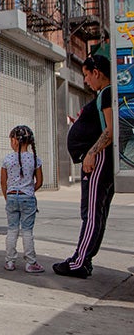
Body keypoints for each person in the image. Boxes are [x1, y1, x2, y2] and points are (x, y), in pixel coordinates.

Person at [54, 55, 114, 278]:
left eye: (87, 75)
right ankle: (84, 259)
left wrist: (91, 153)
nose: (86, 80)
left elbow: (110, 129)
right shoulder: (104, 94)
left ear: (96, 72)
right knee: (94, 212)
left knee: (91, 214)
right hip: (99, 159)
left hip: (99, 160)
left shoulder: (107, 93)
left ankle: (80, 261)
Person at [1, 125, 44, 273]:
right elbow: (39, 181)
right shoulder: (35, 159)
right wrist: (29, 190)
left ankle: (10, 261)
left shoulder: (7, 159)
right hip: (28, 197)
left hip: (12, 196)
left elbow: (2, 182)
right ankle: (30, 262)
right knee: (27, 231)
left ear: (14, 140)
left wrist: (8, 196)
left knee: (12, 230)